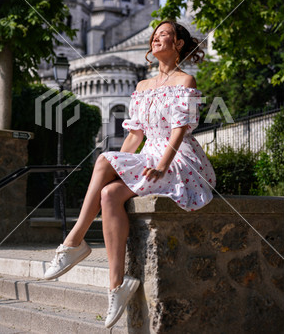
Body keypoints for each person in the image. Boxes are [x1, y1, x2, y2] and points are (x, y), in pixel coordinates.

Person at [43, 20, 216, 329]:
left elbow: (179, 131)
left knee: (103, 164)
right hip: (150, 154)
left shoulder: (185, 81)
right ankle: (116, 286)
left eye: (165, 35)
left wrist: (162, 164)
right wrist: (120, 164)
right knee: (109, 192)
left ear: (178, 45)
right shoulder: (141, 87)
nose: (157, 39)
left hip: (179, 161)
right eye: (155, 35)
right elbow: (135, 137)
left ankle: (74, 241)